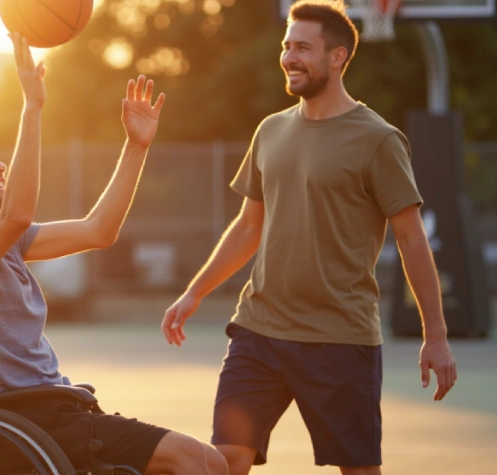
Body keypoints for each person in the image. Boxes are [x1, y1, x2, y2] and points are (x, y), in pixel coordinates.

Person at [160, 2, 458, 474]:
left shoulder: (378, 139)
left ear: (337, 57)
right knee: (226, 460)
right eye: (286, 46)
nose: (288, 57)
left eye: (302, 47)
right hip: (259, 331)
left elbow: (412, 240)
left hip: (339, 339)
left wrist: (435, 336)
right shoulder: (271, 130)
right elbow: (247, 227)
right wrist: (194, 292)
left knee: (358, 469)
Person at [0, 32, 226, 475]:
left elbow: (99, 231)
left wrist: (137, 146)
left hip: (55, 410)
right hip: (26, 418)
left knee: (212, 461)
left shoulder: (4, 243)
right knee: (198, 460)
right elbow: (17, 215)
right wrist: (32, 107)